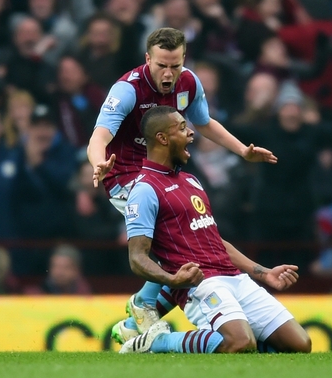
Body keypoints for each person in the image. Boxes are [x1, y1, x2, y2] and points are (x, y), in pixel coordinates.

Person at [86, 27, 277, 344]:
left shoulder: (189, 82)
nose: (168, 73)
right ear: (148, 59)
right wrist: (97, 163)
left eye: (175, 65)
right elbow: (99, 137)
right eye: (161, 64)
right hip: (126, 178)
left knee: (193, 238)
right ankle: (144, 304)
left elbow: (204, 123)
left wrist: (242, 150)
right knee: (179, 242)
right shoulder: (127, 90)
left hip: (165, 172)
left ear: (183, 60)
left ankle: (140, 314)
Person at [119, 105, 310, 354]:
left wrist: (263, 273)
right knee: (240, 342)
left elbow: (214, 240)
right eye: (181, 128)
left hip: (235, 278)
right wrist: (172, 280)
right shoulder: (144, 189)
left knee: (299, 345)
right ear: (162, 138)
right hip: (201, 284)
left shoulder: (191, 180)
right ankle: (157, 342)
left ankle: (245, 347)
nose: (191, 133)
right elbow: (137, 258)